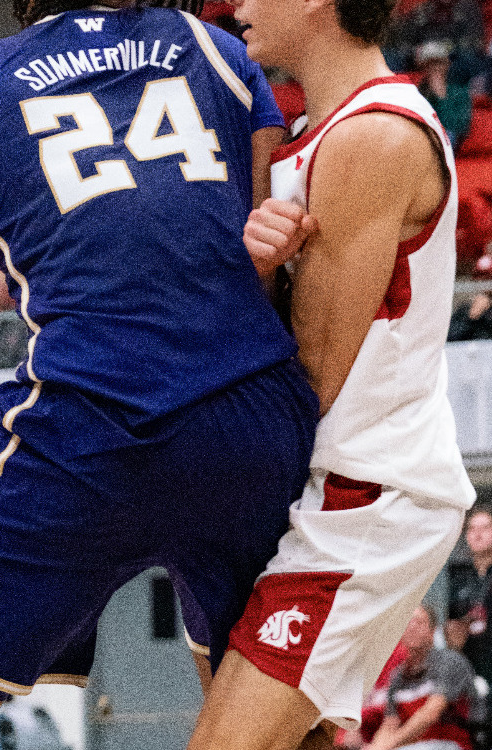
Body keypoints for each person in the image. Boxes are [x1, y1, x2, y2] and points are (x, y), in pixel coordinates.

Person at [0, 1, 319, 748]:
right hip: (249, 414)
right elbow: (275, 251)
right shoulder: (219, 52)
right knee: (278, 729)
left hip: (83, 424)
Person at [182, 0, 478, 747]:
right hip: (315, 483)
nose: (237, 5)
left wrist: (248, 284)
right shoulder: (309, 136)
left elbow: (314, 371)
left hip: (362, 495)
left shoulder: (372, 134)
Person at [367, 607, 480, 750]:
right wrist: (375, 747)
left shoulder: (450, 662)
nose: (412, 627)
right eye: (408, 622)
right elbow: (389, 724)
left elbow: (430, 713)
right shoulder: (397, 677)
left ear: (432, 632)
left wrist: (389, 745)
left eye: (419, 622)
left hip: (452, 743)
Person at [448, 508, 492, 692]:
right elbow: (450, 623)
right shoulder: (457, 573)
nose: (477, 534)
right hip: (468, 660)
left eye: (485, 528)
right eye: (471, 529)